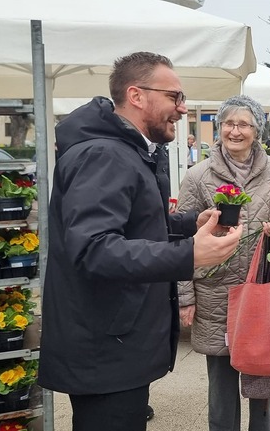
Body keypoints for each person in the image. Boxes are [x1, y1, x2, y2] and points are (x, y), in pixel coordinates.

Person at [37, 51, 243, 431]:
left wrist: (186, 224)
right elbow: (94, 249)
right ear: (136, 95)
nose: (182, 109)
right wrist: (189, 254)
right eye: (174, 97)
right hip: (104, 350)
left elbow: (132, 222)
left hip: (115, 345)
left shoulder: (127, 151)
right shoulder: (104, 154)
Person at [176, 95, 270, 431]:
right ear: (219, 127)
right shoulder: (198, 176)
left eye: (243, 124)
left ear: (257, 131)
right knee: (222, 389)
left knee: (263, 380)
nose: (235, 131)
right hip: (216, 295)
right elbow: (182, 242)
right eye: (228, 123)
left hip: (261, 289)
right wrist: (186, 296)